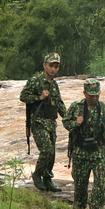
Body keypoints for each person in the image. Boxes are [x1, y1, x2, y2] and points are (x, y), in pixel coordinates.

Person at [63, 78, 105, 209]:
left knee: (100, 184)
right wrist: (75, 123)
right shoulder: (76, 107)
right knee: (80, 185)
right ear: (84, 93)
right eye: (91, 95)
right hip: (81, 152)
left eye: (96, 95)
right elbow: (65, 122)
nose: (94, 98)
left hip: (98, 152)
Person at [19, 52, 66, 191]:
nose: (54, 69)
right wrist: (39, 97)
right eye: (51, 65)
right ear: (45, 65)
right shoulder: (35, 81)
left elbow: (59, 103)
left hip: (51, 122)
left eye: (56, 66)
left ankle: (47, 179)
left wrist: (69, 119)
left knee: (52, 154)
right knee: (46, 150)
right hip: (38, 122)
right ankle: (37, 174)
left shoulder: (54, 84)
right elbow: (23, 96)